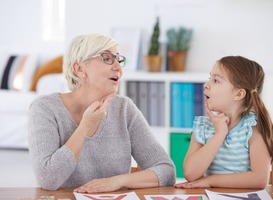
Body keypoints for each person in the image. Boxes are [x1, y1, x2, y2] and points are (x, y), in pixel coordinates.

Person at [28, 33, 175, 193]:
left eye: (119, 60)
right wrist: (84, 129)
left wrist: (116, 182)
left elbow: (166, 171)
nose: (118, 67)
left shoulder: (124, 109)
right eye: (106, 58)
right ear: (79, 69)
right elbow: (48, 179)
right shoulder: (45, 109)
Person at [175, 56, 273, 189]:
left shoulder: (253, 128)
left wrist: (210, 181)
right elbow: (190, 173)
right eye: (210, 78)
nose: (206, 84)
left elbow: (259, 179)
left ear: (238, 94)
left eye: (216, 80)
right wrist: (219, 134)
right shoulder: (203, 127)